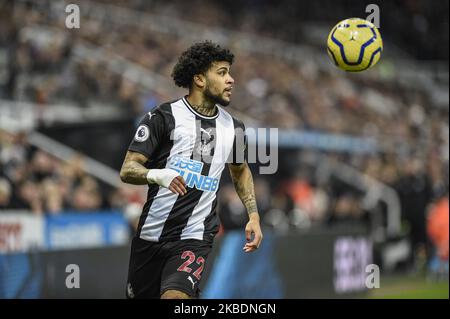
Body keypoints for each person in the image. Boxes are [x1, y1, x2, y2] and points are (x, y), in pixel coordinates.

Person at [119, 41, 263, 299]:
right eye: (221, 73)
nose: (231, 80)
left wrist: (253, 214)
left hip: (195, 236)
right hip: (150, 236)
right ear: (198, 79)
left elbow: (240, 170)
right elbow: (128, 169)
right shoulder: (163, 117)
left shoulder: (234, 128)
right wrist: (158, 174)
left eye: (229, 72)